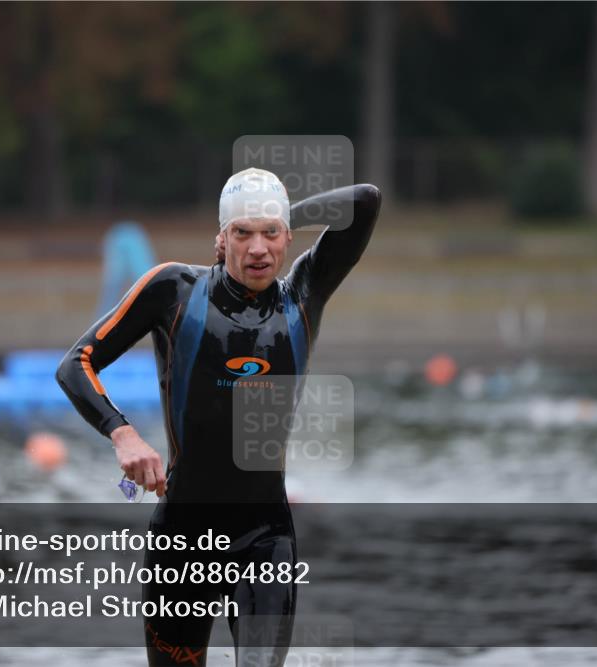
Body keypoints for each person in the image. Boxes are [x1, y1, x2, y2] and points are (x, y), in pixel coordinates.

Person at [57, 168, 381, 665]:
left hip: (265, 538)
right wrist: (121, 433)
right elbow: (75, 365)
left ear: (288, 238)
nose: (258, 248)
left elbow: (365, 201)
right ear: (220, 239)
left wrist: (281, 209)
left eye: (271, 233)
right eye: (243, 232)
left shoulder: (304, 294)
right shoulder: (174, 292)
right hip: (181, 538)